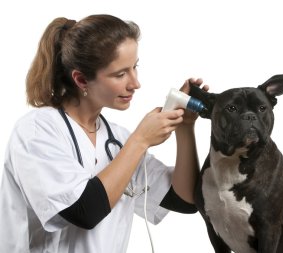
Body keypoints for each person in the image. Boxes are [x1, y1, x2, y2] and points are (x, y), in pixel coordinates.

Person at [0, 14, 208, 252]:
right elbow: (84, 211)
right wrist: (140, 140)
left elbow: (184, 199)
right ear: (81, 79)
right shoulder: (37, 131)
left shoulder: (117, 139)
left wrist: (184, 126)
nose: (135, 83)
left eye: (134, 67)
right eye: (120, 74)